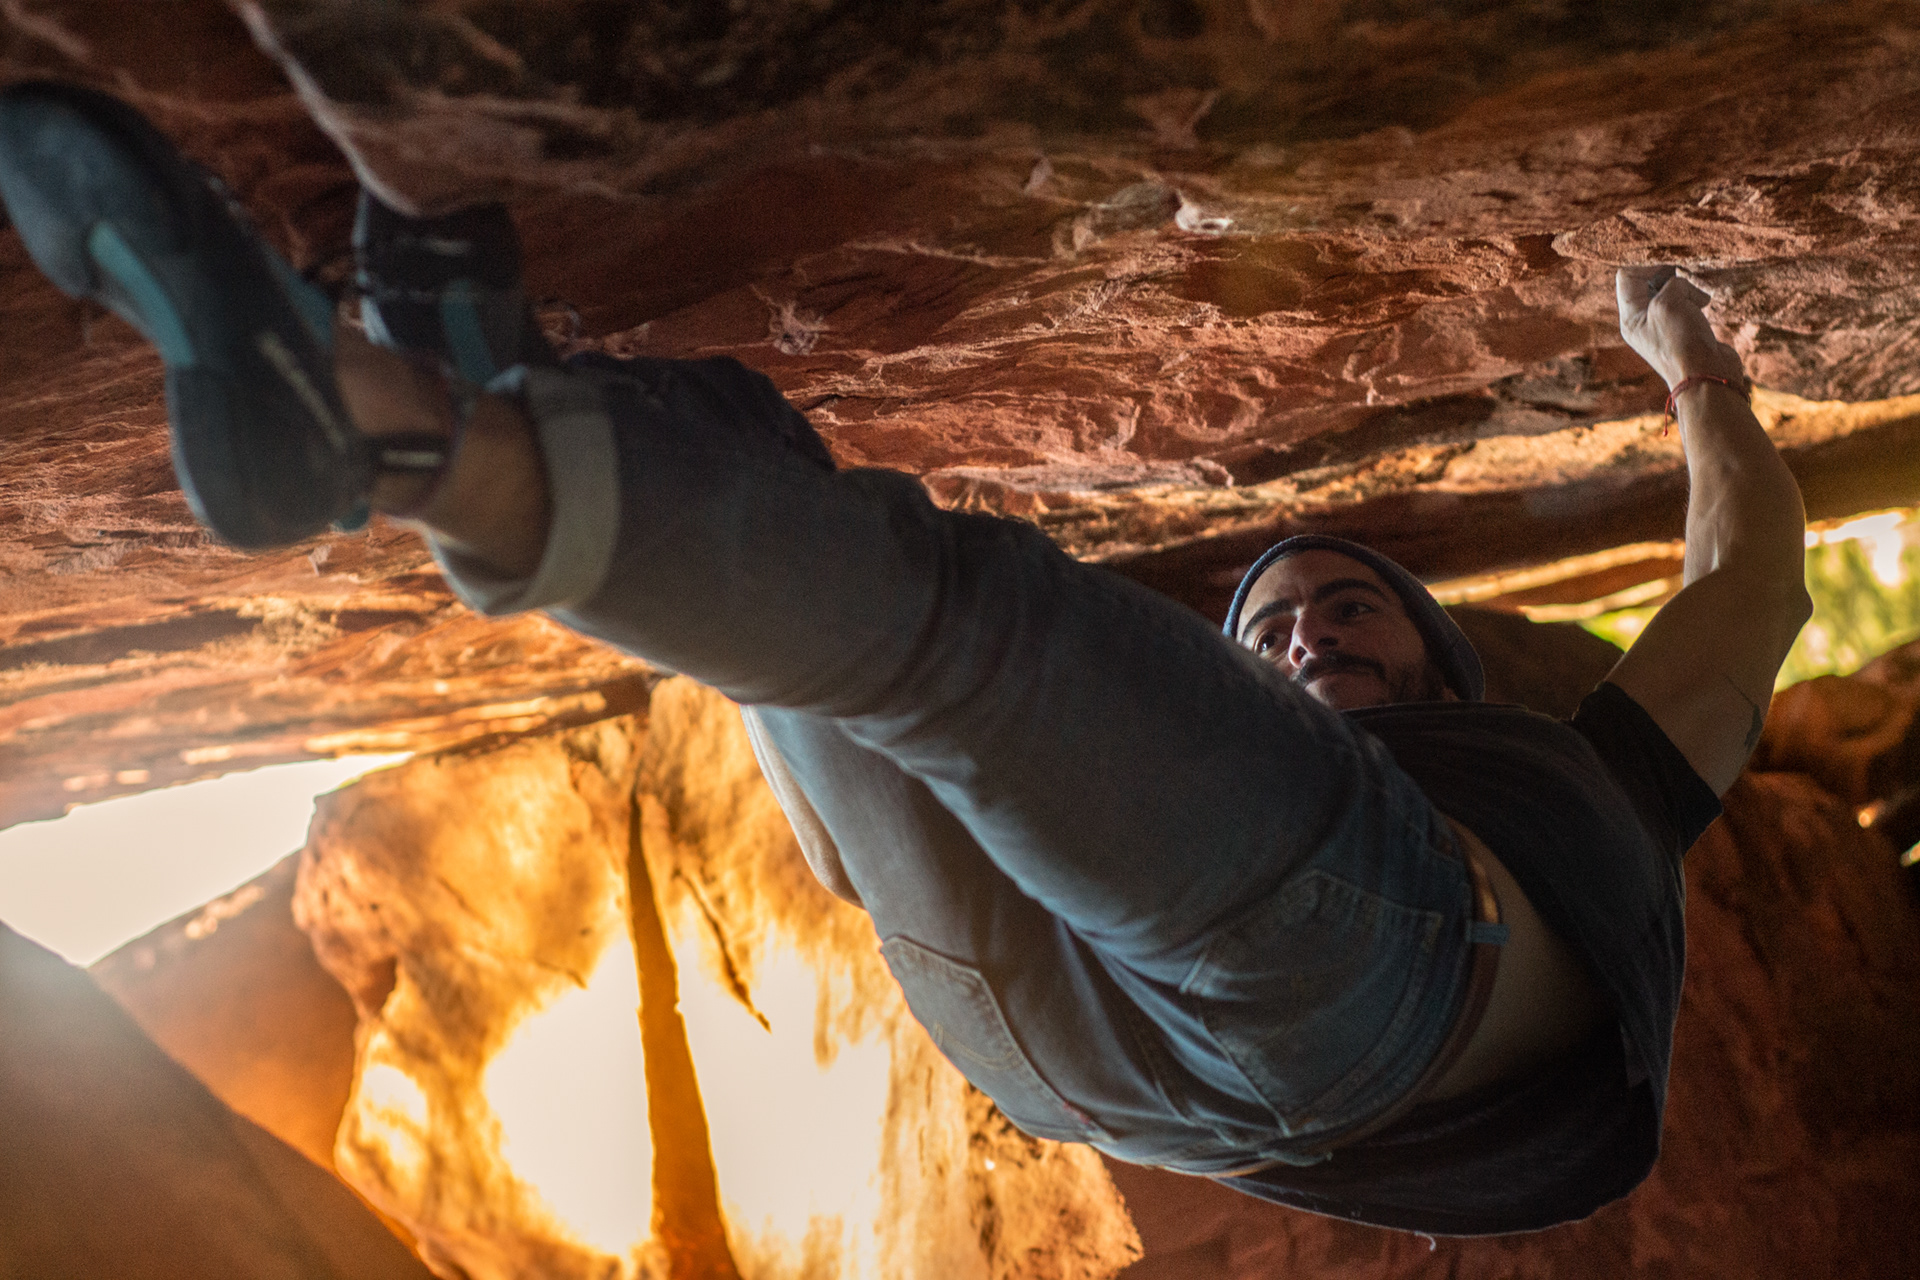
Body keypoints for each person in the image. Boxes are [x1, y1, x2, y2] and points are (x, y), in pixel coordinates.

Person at [0, 82, 1810, 1236]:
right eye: (1270, 625)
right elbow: (1761, 574)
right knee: (775, 512)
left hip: (1321, 1004)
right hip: (1119, 1056)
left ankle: (364, 420)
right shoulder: (1576, 804)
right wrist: (1689, 364)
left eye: (1349, 608)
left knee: (963, 625)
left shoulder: (1591, 785)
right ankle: (475, 369)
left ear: (1450, 669)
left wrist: (1701, 375)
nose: (1305, 627)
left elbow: (1748, 594)